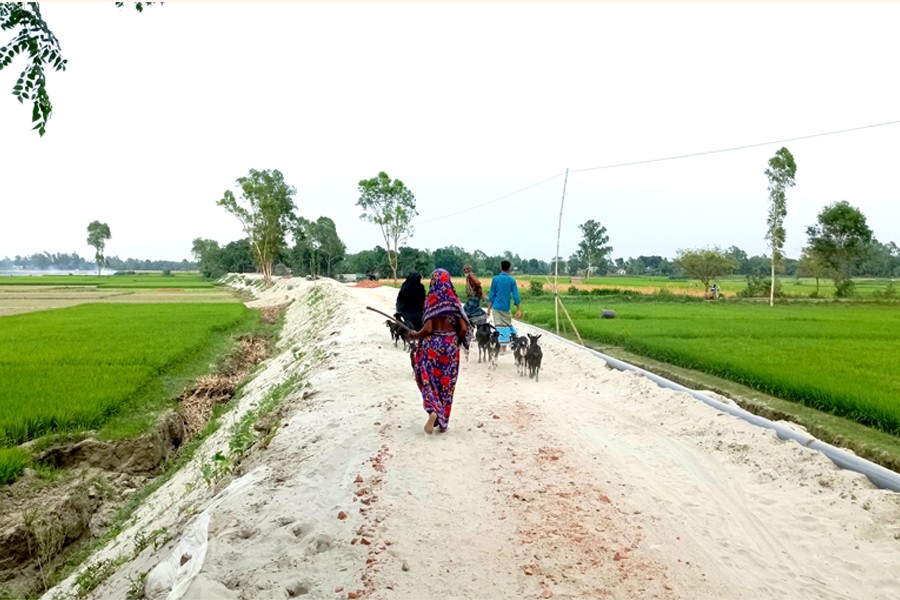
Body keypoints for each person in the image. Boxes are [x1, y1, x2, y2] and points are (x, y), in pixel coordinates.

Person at [408, 268, 470, 434]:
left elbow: (427, 329)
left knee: (429, 380)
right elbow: (464, 328)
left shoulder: (431, 301)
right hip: (450, 346)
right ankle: (443, 421)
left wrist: (415, 335)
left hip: (432, 347)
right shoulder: (454, 302)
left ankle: (433, 410)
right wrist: (454, 339)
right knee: (447, 384)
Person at [487, 260, 521, 328]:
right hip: (506, 309)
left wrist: (488, 309)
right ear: (509, 269)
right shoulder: (512, 280)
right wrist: (518, 310)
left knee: (499, 330)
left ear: (501, 268)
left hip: (496, 308)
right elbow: (516, 296)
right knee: (507, 330)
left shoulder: (495, 279)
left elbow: (492, 296)